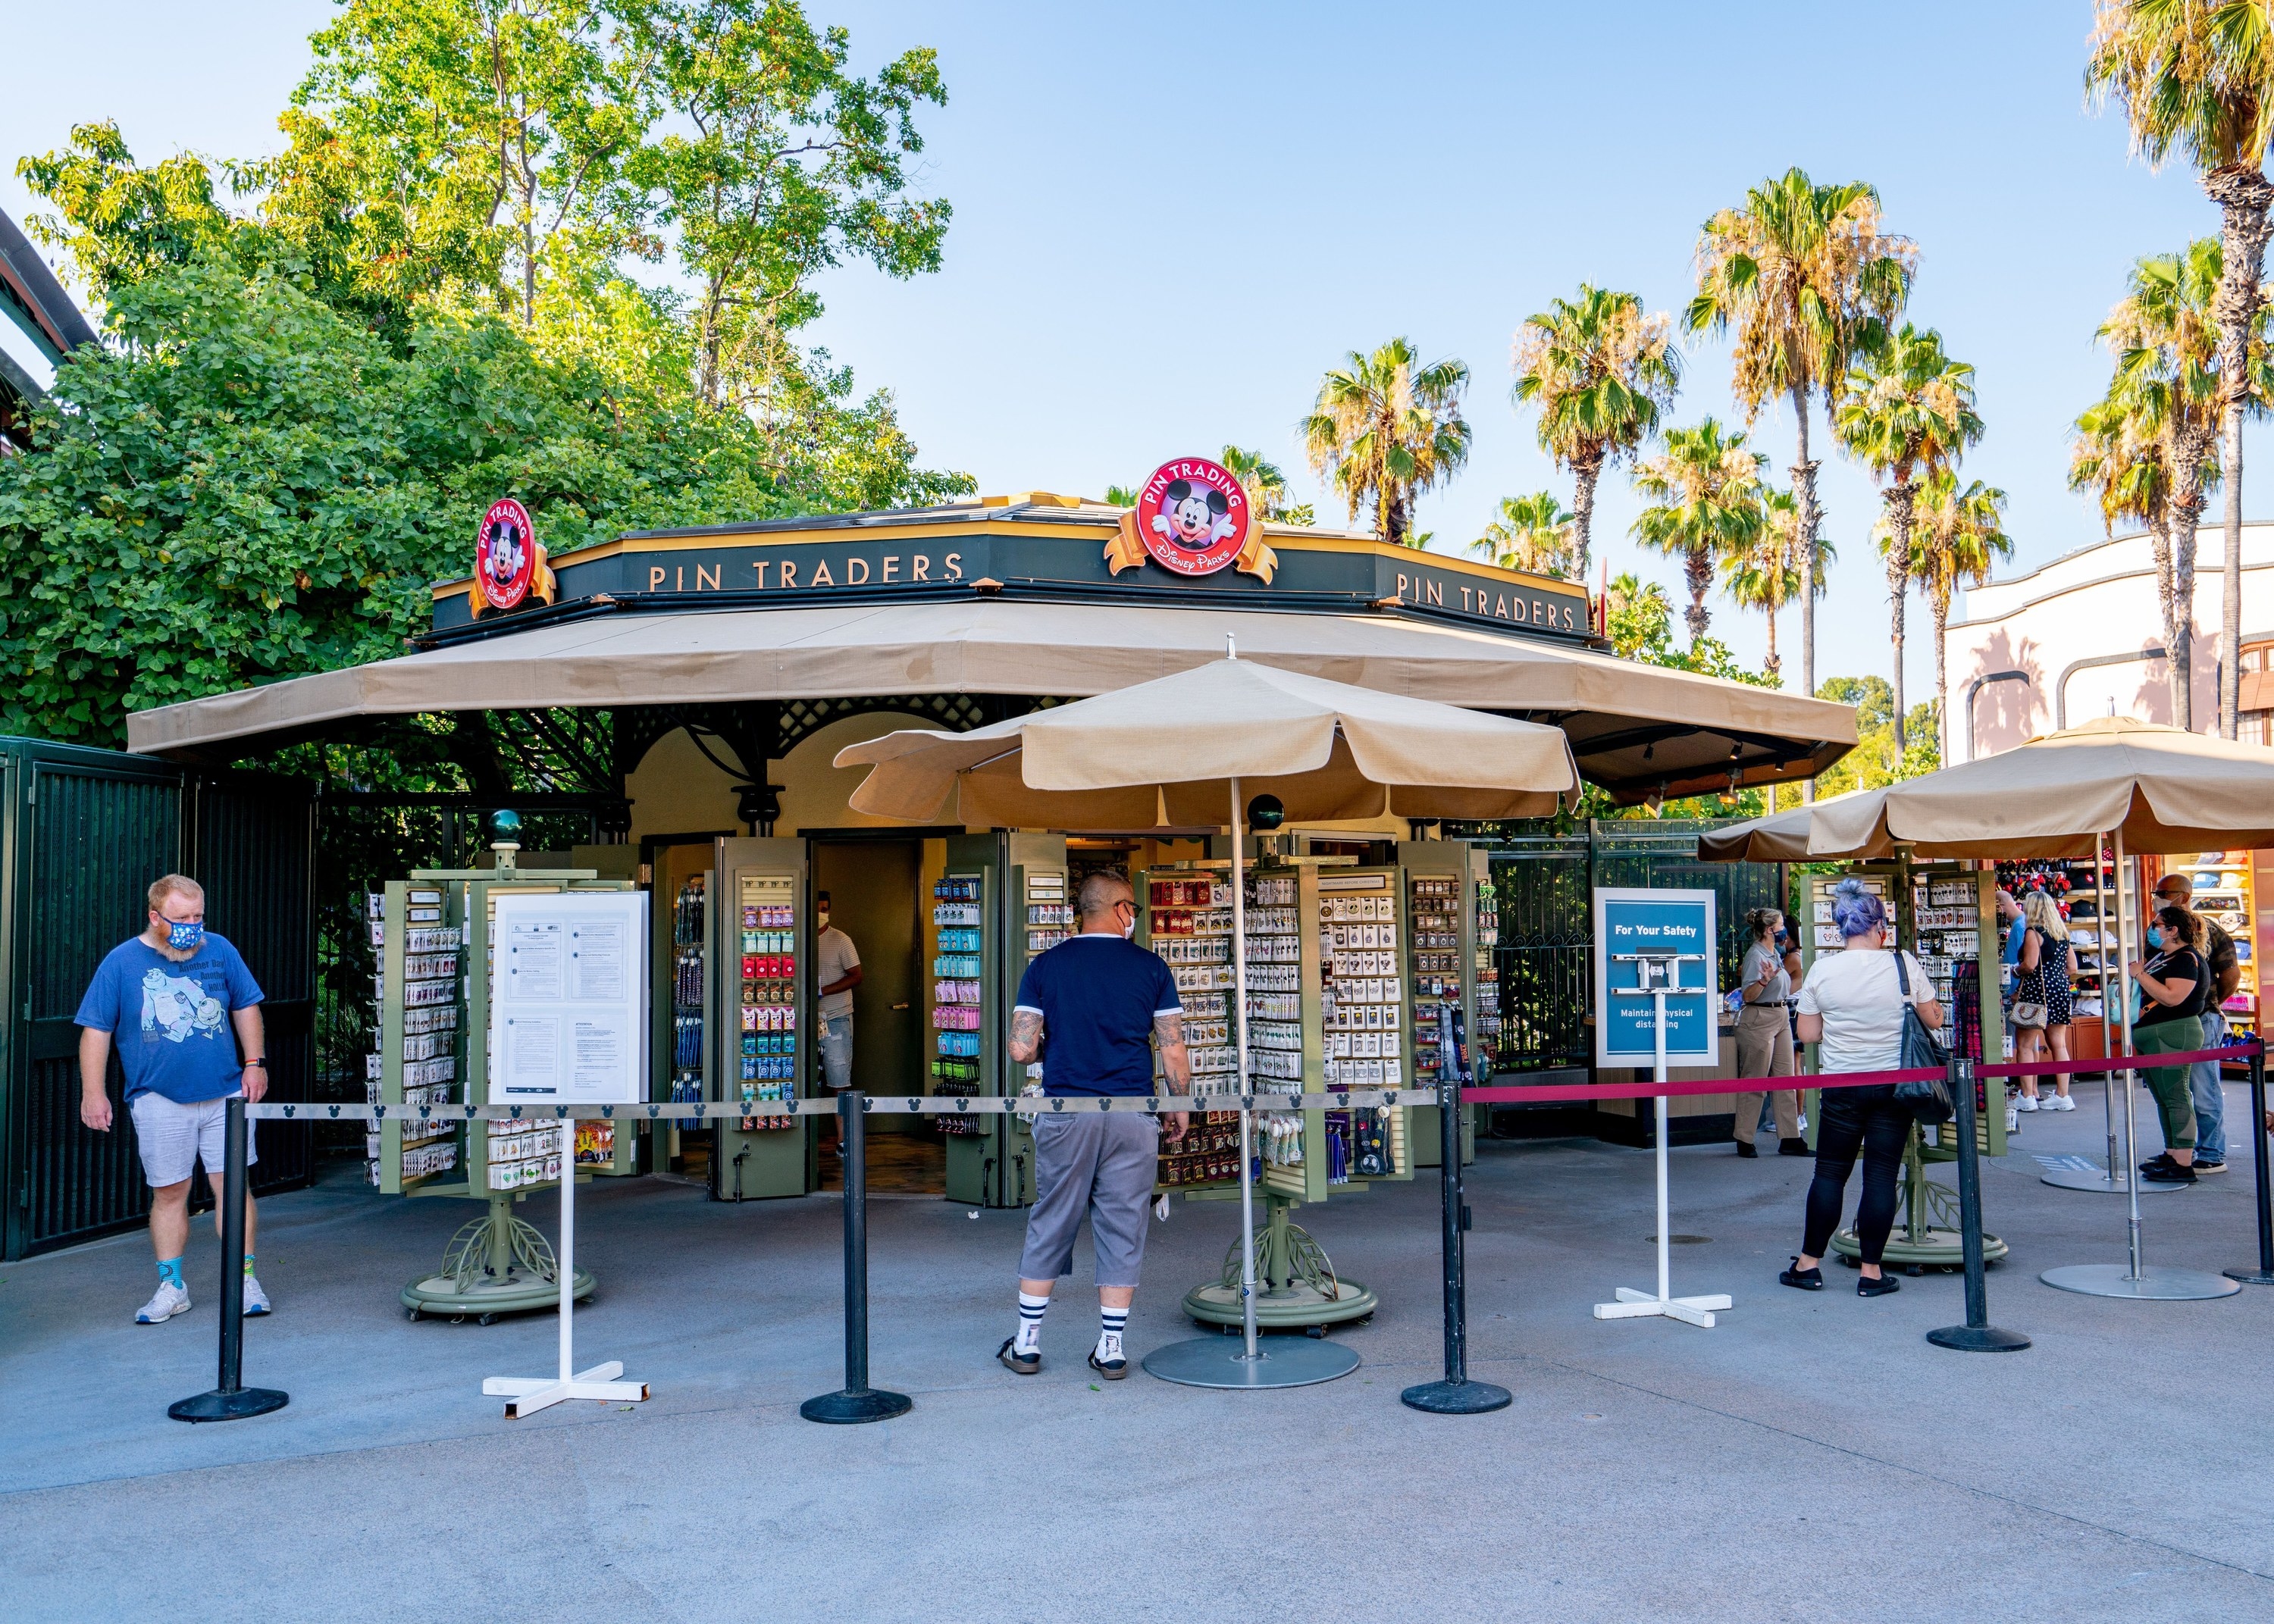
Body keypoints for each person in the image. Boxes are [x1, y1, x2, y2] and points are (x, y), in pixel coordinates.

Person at [1000, 870, 1189, 1379]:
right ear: (1122, 909)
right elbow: (1173, 1051)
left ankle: (1027, 1342)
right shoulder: (1151, 968)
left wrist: (1047, 1043)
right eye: (1136, 910)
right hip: (1131, 1112)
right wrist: (1178, 1105)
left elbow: (1021, 1048)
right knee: (1124, 1221)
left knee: (1053, 1217)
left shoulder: (1046, 966)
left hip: (1068, 1111)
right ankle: (1110, 1347)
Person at [74, 875, 270, 1324]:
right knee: (169, 1194)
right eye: (181, 918)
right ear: (155, 916)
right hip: (158, 1098)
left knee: (233, 1190)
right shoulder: (122, 962)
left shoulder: (220, 950)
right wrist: (93, 1093)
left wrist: (254, 1063)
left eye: (198, 916)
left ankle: (244, 1281)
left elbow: (246, 1006)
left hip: (226, 1095)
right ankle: (171, 1287)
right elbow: (96, 1030)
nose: (192, 926)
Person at [1780, 878, 1942, 1298]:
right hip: (1896, 1085)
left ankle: (1808, 1264)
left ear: (1839, 928)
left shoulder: (1823, 970)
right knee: (1881, 1175)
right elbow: (1935, 1019)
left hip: (1843, 1086)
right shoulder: (1904, 964)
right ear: (1880, 926)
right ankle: (1871, 1274)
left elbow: (1809, 1034)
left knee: (1831, 1172)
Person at [2153, 872, 2235, 1173]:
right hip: (2173, 1020)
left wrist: (2208, 1003)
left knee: (2204, 1088)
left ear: (2184, 896)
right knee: (2177, 1091)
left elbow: (2230, 973)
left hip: (2201, 1019)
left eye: (2164, 891)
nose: (2157, 895)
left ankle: (2212, 1152)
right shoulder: (2164, 929)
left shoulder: (2208, 929)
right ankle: (2179, 1151)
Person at [2130, 903, 2208, 1184]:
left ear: (2173, 930)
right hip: (2154, 1034)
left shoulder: (2185, 959)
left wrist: (2140, 974)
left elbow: (2173, 997)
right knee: (2164, 1097)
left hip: (2174, 1033)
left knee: (2175, 1095)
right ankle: (2172, 1151)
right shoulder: (2165, 957)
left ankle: (2183, 1160)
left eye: (2157, 925)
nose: (2153, 929)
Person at [1732, 907, 1803, 1157]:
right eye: (1781, 924)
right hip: (1759, 1017)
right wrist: (1763, 981)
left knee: (1786, 1079)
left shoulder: (1776, 952)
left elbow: (1786, 984)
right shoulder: (1755, 956)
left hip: (1781, 1014)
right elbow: (1748, 995)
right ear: (1769, 929)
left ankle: (1791, 1137)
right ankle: (1744, 1137)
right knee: (1756, 1080)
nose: (1785, 928)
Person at [2012, 890, 2079, 1112]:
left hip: (2036, 992)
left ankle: (2028, 1096)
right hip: (2060, 990)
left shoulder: (2033, 932)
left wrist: (2014, 971)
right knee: (2059, 1044)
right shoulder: (2062, 933)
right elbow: (2073, 968)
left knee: (2024, 1044)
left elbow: (2029, 965)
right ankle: (2063, 1095)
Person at [813, 890, 863, 1153]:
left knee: (839, 1079)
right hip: (804, 1020)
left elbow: (856, 976)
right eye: (818, 908)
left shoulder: (841, 940)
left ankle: (844, 1139)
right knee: (802, 1078)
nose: (822, 914)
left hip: (836, 1018)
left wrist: (823, 991)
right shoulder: (797, 937)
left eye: (825, 908)